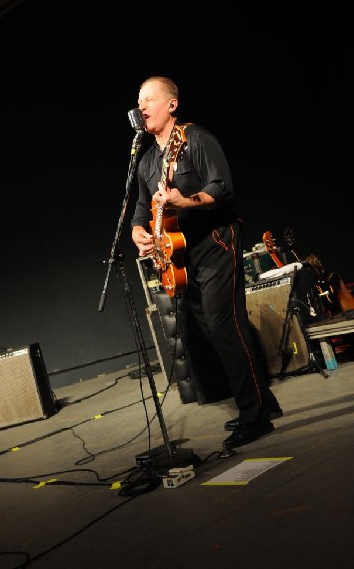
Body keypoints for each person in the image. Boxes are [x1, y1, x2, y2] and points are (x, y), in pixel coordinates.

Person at [130, 75, 282, 449]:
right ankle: (263, 404)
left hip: (216, 243)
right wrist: (138, 232)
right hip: (182, 256)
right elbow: (139, 209)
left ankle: (255, 416)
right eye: (139, 101)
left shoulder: (196, 139)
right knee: (213, 330)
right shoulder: (148, 159)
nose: (142, 107)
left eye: (150, 99)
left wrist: (186, 201)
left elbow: (222, 189)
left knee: (224, 325)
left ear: (172, 104)